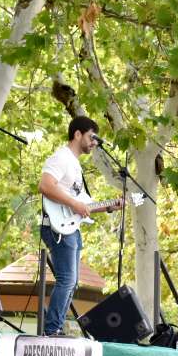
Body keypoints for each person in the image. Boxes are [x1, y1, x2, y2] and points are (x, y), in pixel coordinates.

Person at [36, 116, 122, 335]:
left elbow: (83, 204)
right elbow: (45, 185)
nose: (94, 142)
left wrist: (110, 206)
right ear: (77, 134)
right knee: (67, 280)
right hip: (58, 227)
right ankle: (52, 329)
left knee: (72, 282)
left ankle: (55, 328)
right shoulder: (62, 157)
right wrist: (74, 203)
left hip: (70, 227)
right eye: (92, 136)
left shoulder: (74, 164)